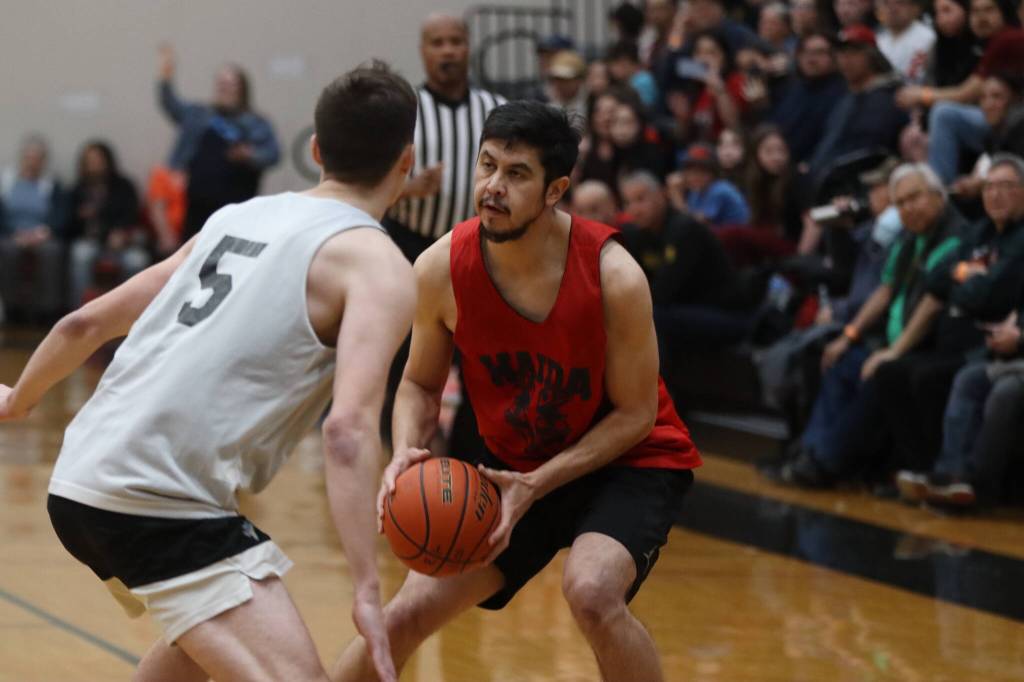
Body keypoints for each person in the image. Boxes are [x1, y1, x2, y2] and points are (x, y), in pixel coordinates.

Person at [0, 62, 420, 682]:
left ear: (315, 149)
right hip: (156, 500)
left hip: (81, 478)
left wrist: (18, 400)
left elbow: (84, 325)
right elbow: (346, 431)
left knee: (193, 659)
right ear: (407, 160)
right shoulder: (378, 266)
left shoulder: (236, 217)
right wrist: (365, 585)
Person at [334, 101, 700, 682]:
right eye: (487, 165)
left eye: (517, 173)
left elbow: (637, 414)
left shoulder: (615, 277)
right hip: (512, 471)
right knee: (401, 616)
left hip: (627, 460)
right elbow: (420, 385)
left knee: (592, 593)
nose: (493, 187)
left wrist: (538, 484)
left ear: (555, 190)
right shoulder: (439, 268)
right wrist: (405, 450)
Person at [385, 13, 506, 263]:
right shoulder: (400, 109)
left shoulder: (496, 108)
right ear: (423, 51)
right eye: (437, 43)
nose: (448, 51)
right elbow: (368, 184)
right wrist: (409, 189)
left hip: (478, 243)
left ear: (468, 47)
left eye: (456, 41)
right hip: (408, 241)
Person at [157, 45, 281, 240]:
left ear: (242, 89)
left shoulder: (256, 123)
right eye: (221, 83)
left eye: (230, 84)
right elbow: (171, 105)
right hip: (197, 209)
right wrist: (166, 74)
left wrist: (249, 155)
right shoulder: (200, 115)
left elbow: (273, 155)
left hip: (236, 209)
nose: (225, 89)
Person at [65, 140, 149, 308]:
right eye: (89, 161)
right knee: (80, 255)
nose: (94, 165)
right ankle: (80, 311)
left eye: (98, 160)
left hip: (122, 243)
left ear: (108, 161)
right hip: (91, 242)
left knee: (137, 261)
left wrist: (121, 233)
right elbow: (69, 226)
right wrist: (82, 219)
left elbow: (132, 216)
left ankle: (130, 311)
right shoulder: (78, 189)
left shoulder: (124, 186)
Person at [0, 134, 67, 320]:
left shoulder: (52, 184)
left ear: (43, 161)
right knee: (7, 251)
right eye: (28, 157)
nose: (32, 162)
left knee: (52, 251)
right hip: (11, 234)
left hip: (43, 235)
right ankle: (12, 308)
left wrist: (43, 233)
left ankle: (47, 309)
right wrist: (14, 234)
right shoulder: (6, 182)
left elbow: (60, 214)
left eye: (37, 159)